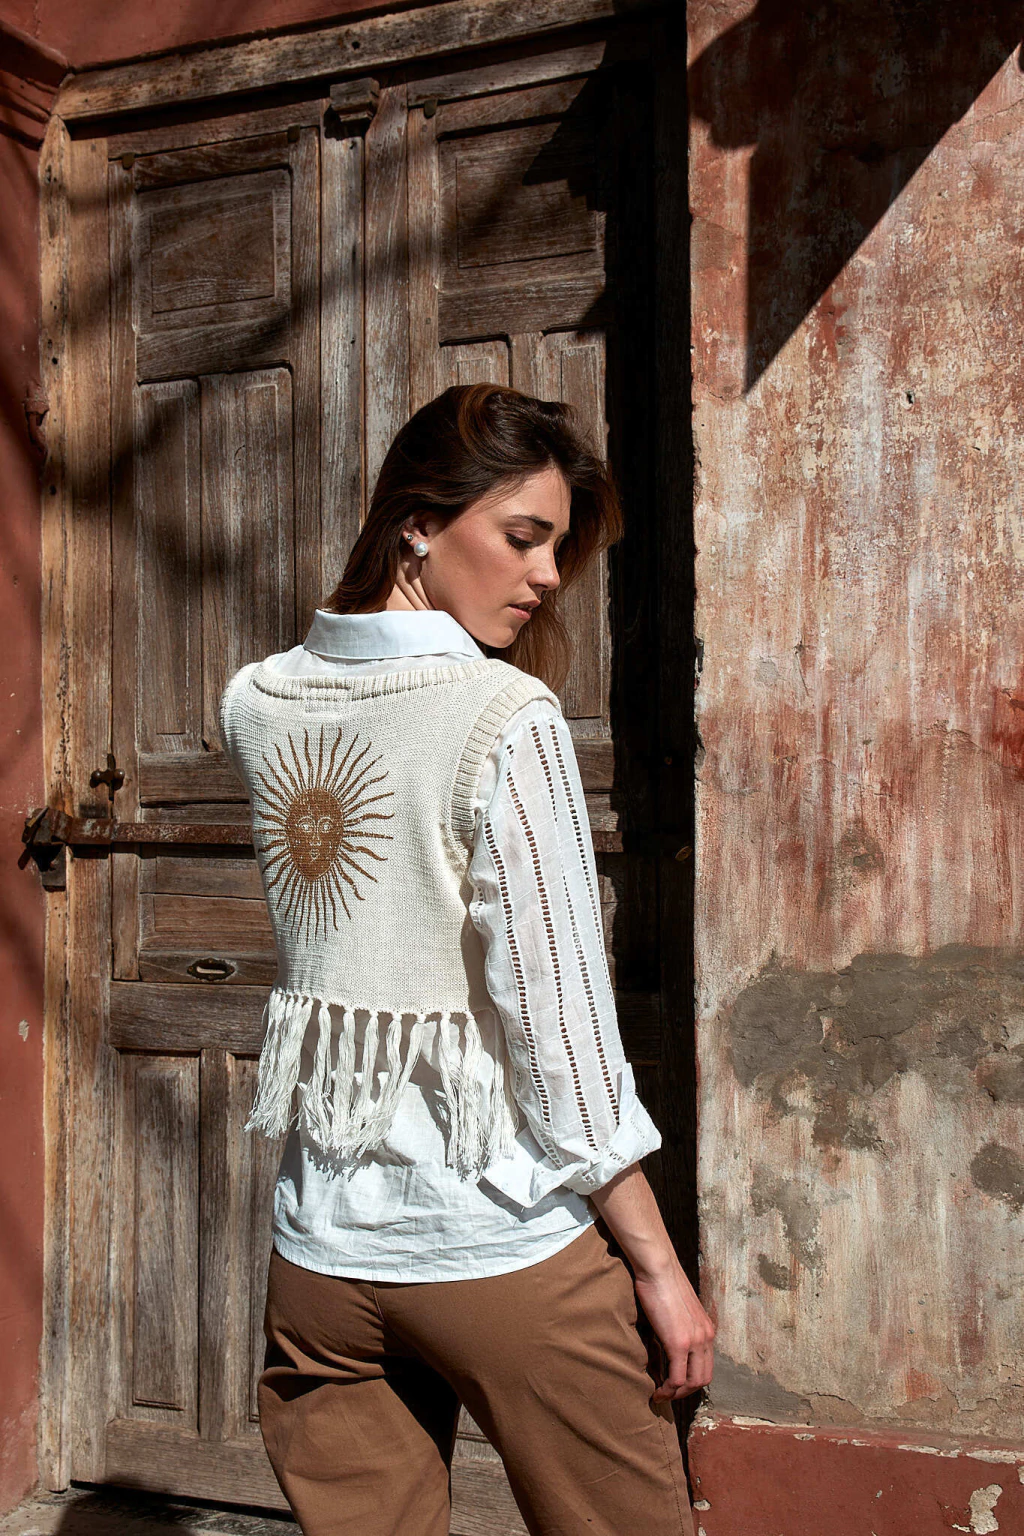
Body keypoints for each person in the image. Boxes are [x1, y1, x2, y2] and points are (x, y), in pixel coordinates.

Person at [218, 383, 714, 1536]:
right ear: (417, 524)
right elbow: (558, 1029)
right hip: (493, 1242)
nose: (545, 576)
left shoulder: (257, 701)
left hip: (319, 1260)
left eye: (557, 548)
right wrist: (654, 1266)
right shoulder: (503, 716)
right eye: (522, 536)